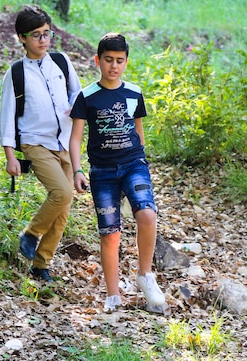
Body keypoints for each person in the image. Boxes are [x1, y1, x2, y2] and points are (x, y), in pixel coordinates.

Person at [69, 32, 166, 312]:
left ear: (126, 62)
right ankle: (113, 295)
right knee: (110, 232)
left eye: (120, 61)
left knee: (147, 213)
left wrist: (143, 159)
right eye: (108, 60)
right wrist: (77, 170)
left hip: (134, 164)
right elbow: (75, 138)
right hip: (102, 171)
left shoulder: (134, 93)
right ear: (98, 60)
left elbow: (138, 130)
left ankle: (145, 275)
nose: (114, 66)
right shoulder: (87, 97)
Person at [0, 5, 81, 282]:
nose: (43, 40)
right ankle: (31, 233)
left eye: (47, 33)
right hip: (36, 143)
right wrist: (10, 156)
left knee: (62, 213)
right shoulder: (16, 73)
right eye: (36, 35)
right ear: (22, 38)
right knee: (62, 193)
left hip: (65, 143)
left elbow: (77, 93)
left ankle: (40, 264)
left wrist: (74, 107)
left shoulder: (60, 61)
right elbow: (7, 116)